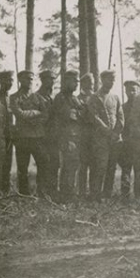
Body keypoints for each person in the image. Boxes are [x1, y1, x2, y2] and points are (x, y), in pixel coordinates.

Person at [10, 70, 48, 195]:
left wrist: (32, 117)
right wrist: (36, 113)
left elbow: (45, 114)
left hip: (37, 137)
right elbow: (19, 114)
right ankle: (24, 195)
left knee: (43, 164)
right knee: (22, 168)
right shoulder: (14, 97)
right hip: (22, 137)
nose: (30, 81)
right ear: (20, 80)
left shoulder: (38, 97)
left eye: (31, 79)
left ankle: (41, 193)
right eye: (27, 79)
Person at [86, 71, 123, 199]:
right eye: (109, 79)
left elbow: (120, 117)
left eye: (113, 80)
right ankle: (95, 195)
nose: (111, 82)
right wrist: (108, 132)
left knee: (111, 167)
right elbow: (94, 118)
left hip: (114, 140)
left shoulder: (116, 97)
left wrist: (117, 132)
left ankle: (107, 194)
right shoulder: (94, 98)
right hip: (100, 139)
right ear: (102, 80)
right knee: (100, 166)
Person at [50, 70, 85, 199]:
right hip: (66, 137)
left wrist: (77, 113)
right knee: (68, 165)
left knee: (73, 165)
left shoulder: (74, 98)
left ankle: (69, 192)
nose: (76, 84)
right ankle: (66, 193)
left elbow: (82, 114)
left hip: (75, 136)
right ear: (66, 82)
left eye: (77, 82)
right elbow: (63, 117)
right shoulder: (60, 98)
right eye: (74, 81)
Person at [110, 80, 140, 199]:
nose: (131, 93)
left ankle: (139, 196)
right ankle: (125, 196)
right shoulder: (123, 107)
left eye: (134, 90)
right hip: (127, 144)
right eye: (129, 90)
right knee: (126, 170)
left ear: (138, 90)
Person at [36, 70, 58, 196]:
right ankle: (42, 192)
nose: (52, 82)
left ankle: (52, 192)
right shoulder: (36, 97)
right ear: (43, 80)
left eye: (54, 79)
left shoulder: (53, 97)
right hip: (42, 136)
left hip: (53, 136)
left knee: (55, 164)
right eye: (50, 79)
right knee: (43, 163)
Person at [77, 72, 95, 196]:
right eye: (88, 83)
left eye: (92, 83)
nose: (91, 86)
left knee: (94, 164)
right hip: (83, 136)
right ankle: (82, 192)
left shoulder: (97, 97)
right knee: (83, 165)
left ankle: (93, 192)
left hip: (95, 136)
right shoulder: (77, 99)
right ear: (83, 84)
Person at [0, 70, 15, 192]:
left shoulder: (10, 98)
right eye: (7, 80)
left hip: (9, 135)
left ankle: (5, 190)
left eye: (11, 80)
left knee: (7, 164)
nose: (10, 82)